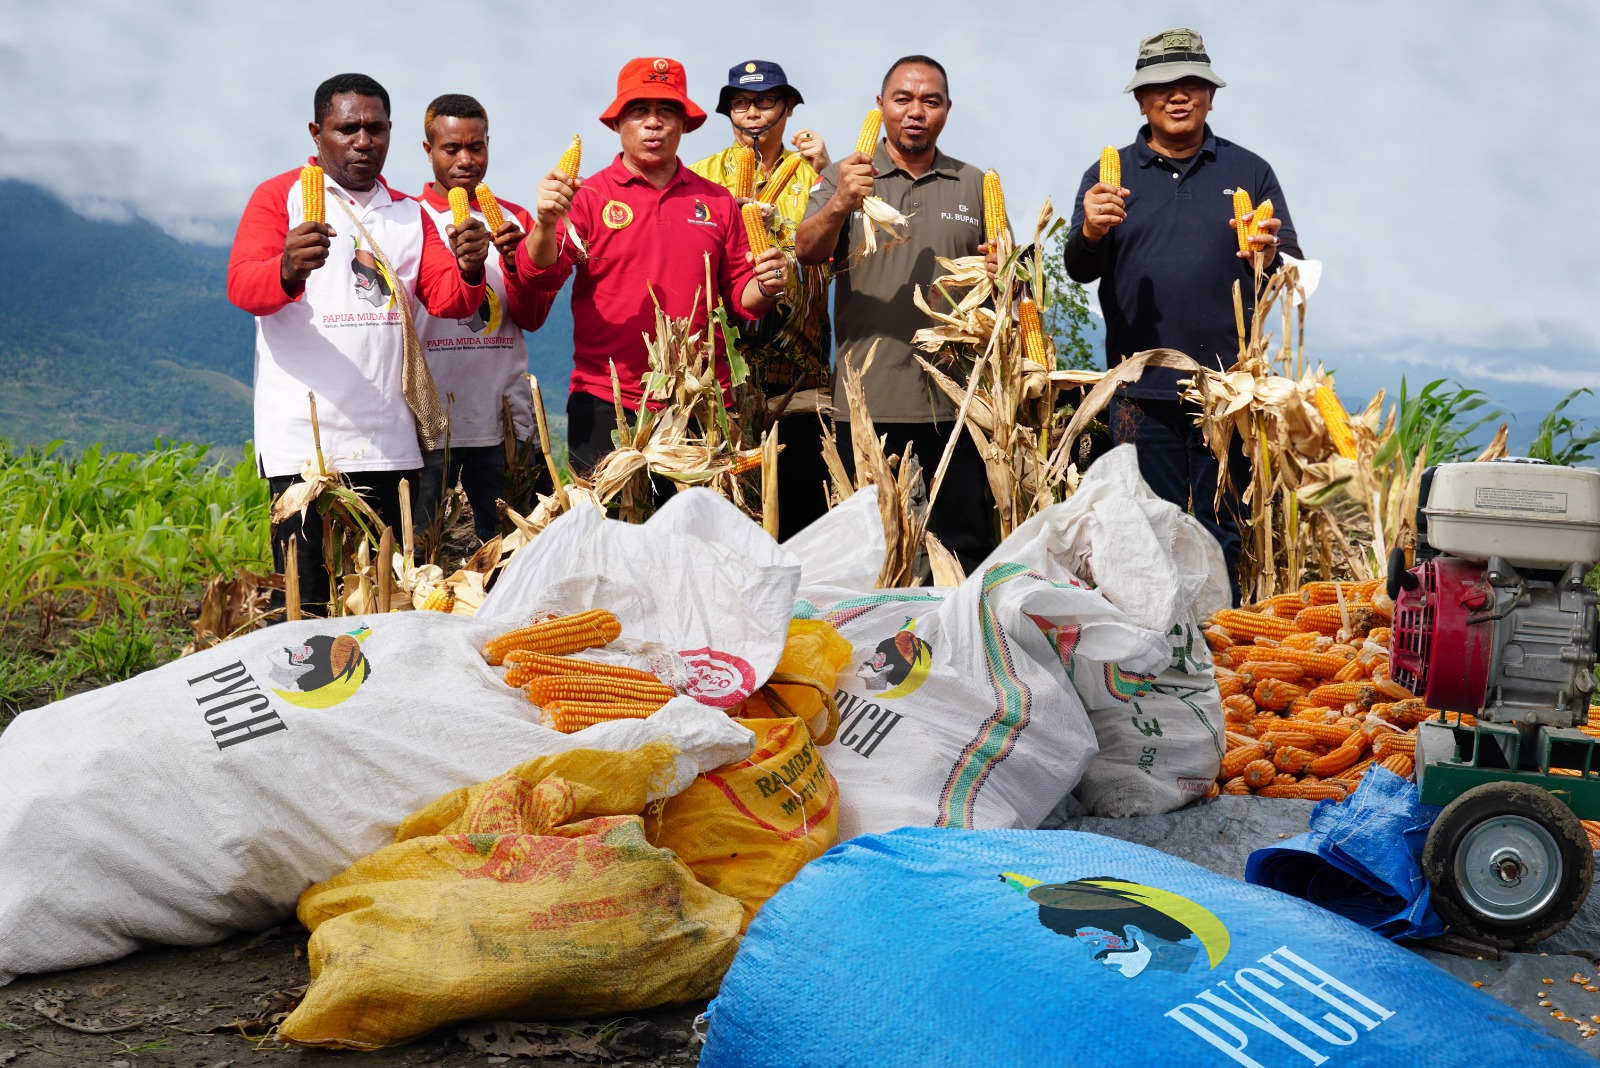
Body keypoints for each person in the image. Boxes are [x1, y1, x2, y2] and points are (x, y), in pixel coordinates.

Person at [227, 72, 488, 616]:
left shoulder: (409, 213)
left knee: (382, 596)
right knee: (308, 601)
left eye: (375, 129)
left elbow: (448, 301)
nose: (363, 142)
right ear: (316, 133)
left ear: (391, 132)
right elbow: (242, 287)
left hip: (389, 438)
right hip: (304, 443)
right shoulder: (280, 198)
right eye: (347, 129)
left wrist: (469, 266)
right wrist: (285, 269)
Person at [1065, 28, 1302, 604]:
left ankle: (1219, 647)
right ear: (1140, 100)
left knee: (1224, 532)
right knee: (1144, 530)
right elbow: (1078, 267)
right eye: (1162, 86)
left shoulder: (1249, 171)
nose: (1178, 96)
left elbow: (1291, 269)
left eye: (1192, 84)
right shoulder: (1110, 174)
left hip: (1227, 394)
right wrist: (1093, 229)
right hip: (1138, 392)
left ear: (1211, 96)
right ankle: (1151, 653)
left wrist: (1268, 257)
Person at [516, 57, 792, 475]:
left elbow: (740, 299)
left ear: (683, 124)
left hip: (698, 399)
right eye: (639, 111)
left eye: (666, 111)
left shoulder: (717, 202)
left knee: (692, 536)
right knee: (608, 532)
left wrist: (769, 284)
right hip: (607, 399)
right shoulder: (587, 196)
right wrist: (546, 221)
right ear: (617, 123)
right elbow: (540, 274)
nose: (653, 123)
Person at [796, 55, 995, 572]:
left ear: (947, 110)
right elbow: (807, 250)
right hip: (868, 400)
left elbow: (999, 283)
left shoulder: (972, 183)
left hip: (956, 404)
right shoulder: (847, 174)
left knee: (959, 552)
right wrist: (841, 200)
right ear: (880, 105)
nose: (915, 112)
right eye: (902, 99)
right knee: (874, 558)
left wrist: (1004, 271)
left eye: (930, 101)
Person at [690, 60, 833, 538]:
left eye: (766, 101)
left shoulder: (813, 175)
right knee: (726, 521)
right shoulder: (698, 178)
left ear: (788, 108)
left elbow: (847, 252)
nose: (753, 113)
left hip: (800, 373)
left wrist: (827, 176)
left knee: (799, 520)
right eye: (741, 103)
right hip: (718, 377)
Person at [412, 93, 556, 548]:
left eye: (477, 147)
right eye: (451, 148)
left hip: (505, 420)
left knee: (516, 549)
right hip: (432, 420)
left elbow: (532, 317)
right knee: (429, 551)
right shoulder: (408, 218)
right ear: (428, 150)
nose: (466, 160)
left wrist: (517, 264)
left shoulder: (515, 218)